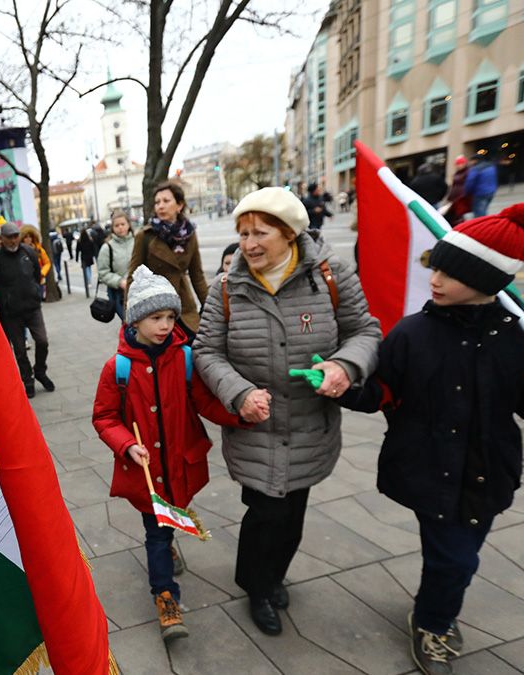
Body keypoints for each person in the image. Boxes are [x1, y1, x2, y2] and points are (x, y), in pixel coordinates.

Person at [335, 204, 524, 675]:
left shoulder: (521, 333)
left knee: (456, 556)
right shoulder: (414, 332)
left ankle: (432, 606)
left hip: (486, 468)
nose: (434, 278)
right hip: (426, 465)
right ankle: (434, 623)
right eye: (435, 266)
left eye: (449, 272)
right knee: (456, 558)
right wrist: (342, 385)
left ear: (486, 281)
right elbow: (385, 391)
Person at [192, 187, 381, 636]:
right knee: (264, 515)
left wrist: (344, 366)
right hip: (255, 428)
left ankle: (273, 575)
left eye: (260, 233)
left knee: (293, 513)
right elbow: (206, 352)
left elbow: (364, 331)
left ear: (290, 233)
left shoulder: (332, 275)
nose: (249, 244)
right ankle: (256, 586)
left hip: (309, 427)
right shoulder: (226, 289)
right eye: (242, 233)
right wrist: (238, 393)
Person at [92, 266, 245, 643]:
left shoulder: (185, 357)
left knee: (171, 519)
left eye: (171, 316)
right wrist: (126, 443)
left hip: (180, 462)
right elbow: (104, 417)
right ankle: (165, 597)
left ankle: (169, 543)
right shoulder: (118, 368)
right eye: (156, 317)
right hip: (146, 472)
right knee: (155, 533)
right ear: (135, 320)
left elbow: (205, 402)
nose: (165, 325)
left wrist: (242, 413)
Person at [127, 181, 208, 331]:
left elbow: (197, 276)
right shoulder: (145, 236)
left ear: (179, 205)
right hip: (155, 310)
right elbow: (133, 277)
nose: (160, 206)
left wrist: (212, 309)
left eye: (166, 201)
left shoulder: (189, 234)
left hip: (185, 308)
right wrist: (129, 319)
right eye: (157, 202)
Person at [0, 223, 54, 398]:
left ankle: (40, 370)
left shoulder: (28, 252)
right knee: (19, 350)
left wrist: (35, 292)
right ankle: (28, 380)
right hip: (12, 313)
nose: (13, 240)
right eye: (9, 237)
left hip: (32, 307)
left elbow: (37, 273)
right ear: (1, 239)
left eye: (15, 236)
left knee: (42, 341)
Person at [96, 211, 135, 322]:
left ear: (128, 224)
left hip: (140, 290)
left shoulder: (137, 242)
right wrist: (119, 282)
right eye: (116, 225)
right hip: (120, 295)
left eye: (123, 224)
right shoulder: (107, 247)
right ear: (112, 228)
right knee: (129, 324)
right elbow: (103, 272)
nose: (120, 228)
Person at [19, 225, 52, 296]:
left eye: (30, 236)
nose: (28, 239)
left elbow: (47, 263)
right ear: (22, 238)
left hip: (39, 281)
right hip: (25, 282)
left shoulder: (39, 250)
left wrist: (42, 273)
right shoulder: (20, 251)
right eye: (26, 237)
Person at [443, 156, 471, 226]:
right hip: (455, 196)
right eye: (457, 164)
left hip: (462, 196)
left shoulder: (468, 172)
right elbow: (453, 185)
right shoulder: (457, 173)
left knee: (460, 212)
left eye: (460, 164)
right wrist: (449, 196)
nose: (458, 166)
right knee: (454, 213)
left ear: (464, 164)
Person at [77, 227, 97, 293]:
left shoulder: (79, 241)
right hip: (89, 256)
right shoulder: (89, 239)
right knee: (89, 268)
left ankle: (88, 280)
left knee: (86, 269)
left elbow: (78, 250)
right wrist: (94, 255)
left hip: (84, 256)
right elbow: (93, 247)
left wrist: (76, 258)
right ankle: (89, 280)